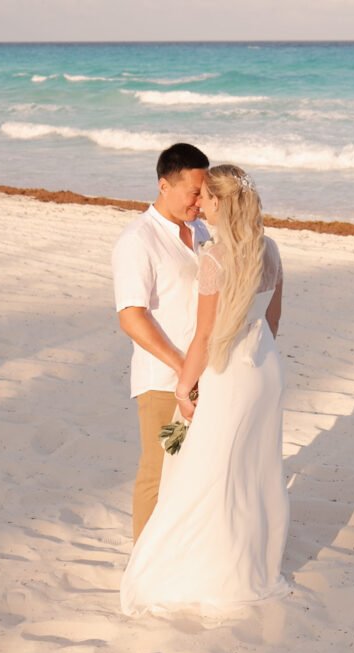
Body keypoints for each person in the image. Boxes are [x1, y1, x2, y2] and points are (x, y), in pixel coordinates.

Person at [121, 164, 289, 614]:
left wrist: (184, 386)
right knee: (252, 466)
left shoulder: (215, 256)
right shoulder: (268, 249)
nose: (200, 206)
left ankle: (202, 564)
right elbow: (272, 320)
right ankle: (249, 559)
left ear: (218, 202)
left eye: (205, 198)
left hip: (227, 373)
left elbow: (204, 335)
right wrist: (257, 352)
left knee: (204, 469)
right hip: (264, 369)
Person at [111, 142, 210, 542]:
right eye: (193, 192)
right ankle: (141, 563)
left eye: (204, 192)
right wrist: (180, 364)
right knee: (158, 470)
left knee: (192, 472)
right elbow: (131, 316)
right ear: (164, 185)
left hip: (203, 374)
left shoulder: (201, 229)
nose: (200, 201)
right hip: (162, 381)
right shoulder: (138, 240)